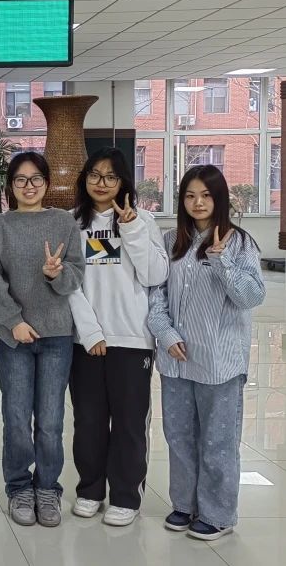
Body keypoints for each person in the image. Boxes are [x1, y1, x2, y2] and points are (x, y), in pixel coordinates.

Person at [147, 165, 265, 541]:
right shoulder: (171, 241)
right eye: (190, 195)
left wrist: (221, 261)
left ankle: (218, 514)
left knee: (218, 440)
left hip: (219, 362)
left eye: (206, 195)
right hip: (177, 360)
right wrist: (165, 334)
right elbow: (155, 295)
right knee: (179, 436)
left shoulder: (240, 243)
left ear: (219, 198)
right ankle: (184, 504)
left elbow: (252, 296)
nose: (198, 203)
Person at [66, 148, 168, 527]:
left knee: (128, 423)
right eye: (95, 174)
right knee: (88, 422)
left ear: (123, 181)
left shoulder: (144, 220)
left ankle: (126, 496)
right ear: (85, 179)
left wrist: (132, 230)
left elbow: (155, 275)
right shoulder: (72, 222)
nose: (102, 183)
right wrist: (90, 332)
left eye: (111, 176)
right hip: (86, 341)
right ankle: (90, 490)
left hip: (131, 340)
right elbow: (69, 283)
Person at [0, 152, 84, 528]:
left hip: (56, 335)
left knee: (51, 420)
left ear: (47, 183)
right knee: (15, 418)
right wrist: (14, 322)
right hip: (14, 339)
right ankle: (18, 488)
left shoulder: (64, 222)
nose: (29, 186)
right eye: (21, 180)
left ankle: (47, 488)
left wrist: (55, 274)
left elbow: (76, 274)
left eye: (36, 179)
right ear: (10, 186)